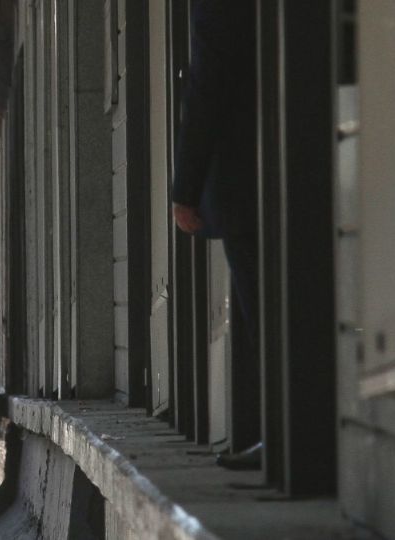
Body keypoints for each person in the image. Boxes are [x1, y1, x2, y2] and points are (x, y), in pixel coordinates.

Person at [171, 0, 261, 470]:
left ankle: (284, 435)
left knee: (261, 304)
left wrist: (184, 187)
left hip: (248, 178)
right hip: (307, 162)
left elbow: (206, 86)